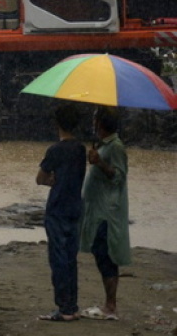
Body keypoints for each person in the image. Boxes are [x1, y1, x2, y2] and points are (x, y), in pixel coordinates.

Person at [35, 104, 86, 322]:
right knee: (71, 258)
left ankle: (64, 308)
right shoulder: (81, 149)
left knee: (58, 259)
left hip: (57, 209)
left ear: (57, 124)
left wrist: (51, 181)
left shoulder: (55, 150)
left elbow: (40, 178)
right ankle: (72, 306)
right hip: (75, 208)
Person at [78, 107, 130, 321]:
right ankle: (109, 304)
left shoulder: (116, 147)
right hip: (99, 210)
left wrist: (99, 162)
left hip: (107, 213)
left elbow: (118, 176)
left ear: (100, 124)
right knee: (101, 255)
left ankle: (110, 306)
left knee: (105, 256)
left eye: (95, 119)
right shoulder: (105, 145)